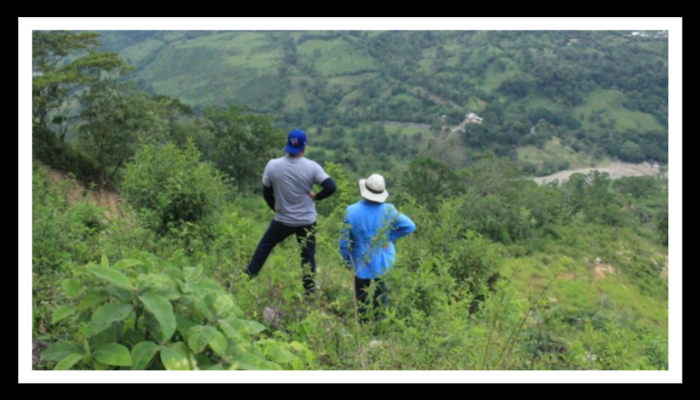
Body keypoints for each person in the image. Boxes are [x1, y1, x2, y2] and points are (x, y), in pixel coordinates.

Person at [245, 129, 337, 294]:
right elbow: (331, 187)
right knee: (307, 256)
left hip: (283, 220)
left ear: (287, 145)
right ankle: (309, 291)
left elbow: (266, 193)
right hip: (307, 221)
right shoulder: (312, 167)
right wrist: (316, 196)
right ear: (304, 147)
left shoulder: (273, 165)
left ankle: (248, 276)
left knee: (265, 245)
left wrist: (277, 208)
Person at [339, 173, 415, 322]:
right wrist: (390, 237)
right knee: (381, 293)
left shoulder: (351, 211)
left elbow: (344, 241)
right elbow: (410, 226)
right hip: (382, 260)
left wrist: (347, 259)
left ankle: (362, 321)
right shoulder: (389, 210)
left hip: (360, 259)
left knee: (361, 293)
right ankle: (380, 321)